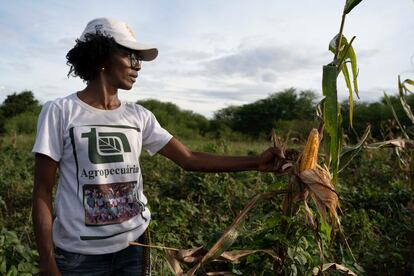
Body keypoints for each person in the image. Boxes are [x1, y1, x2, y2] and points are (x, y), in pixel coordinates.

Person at [32, 18, 287, 276]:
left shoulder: (138, 116)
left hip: (135, 245)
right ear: (102, 55)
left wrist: (255, 162)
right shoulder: (61, 112)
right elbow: (42, 190)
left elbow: (189, 158)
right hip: (79, 256)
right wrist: (47, 261)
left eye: (138, 59)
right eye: (130, 56)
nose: (138, 66)